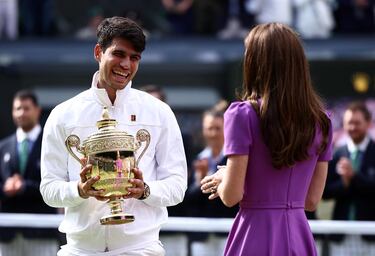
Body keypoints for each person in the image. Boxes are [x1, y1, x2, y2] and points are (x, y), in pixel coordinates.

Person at [40, 17, 187, 255]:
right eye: (119, 54)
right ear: (98, 52)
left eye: (134, 57)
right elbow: (48, 189)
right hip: (80, 249)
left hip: (140, 249)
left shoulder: (159, 112)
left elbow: (177, 186)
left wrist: (145, 190)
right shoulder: (63, 115)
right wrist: (79, 189)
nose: (126, 65)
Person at [200, 22, 333, 255]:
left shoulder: (242, 114)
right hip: (299, 235)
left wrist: (223, 176)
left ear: (256, 62)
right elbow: (312, 201)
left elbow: (231, 196)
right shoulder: (322, 121)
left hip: (254, 234)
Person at [0, 90, 59, 256]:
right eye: (17, 109)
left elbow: (57, 183)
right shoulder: (3, 147)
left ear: (37, 111)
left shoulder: (52, 144)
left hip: (41, 233)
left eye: (26, 108)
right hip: (8, 234)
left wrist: (25, 187)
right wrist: (7, 188)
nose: (21, 113)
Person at [185, 100, 239, 256]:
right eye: (209, 128)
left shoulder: (235, 160)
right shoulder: (197, 159)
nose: (213, 133)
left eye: (218, 128)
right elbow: (188, 199)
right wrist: (200, 179)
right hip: (202, 235)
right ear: (203, 130)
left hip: (229, 232)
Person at [323, 101, 375, 255]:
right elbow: (324, 193)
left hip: (371, 234)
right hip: (341, 235)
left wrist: (354, 176)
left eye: (357, 123)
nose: (352, 127)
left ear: (368, 123)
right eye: (348, 123)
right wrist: (343, 184)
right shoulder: (337, 153)